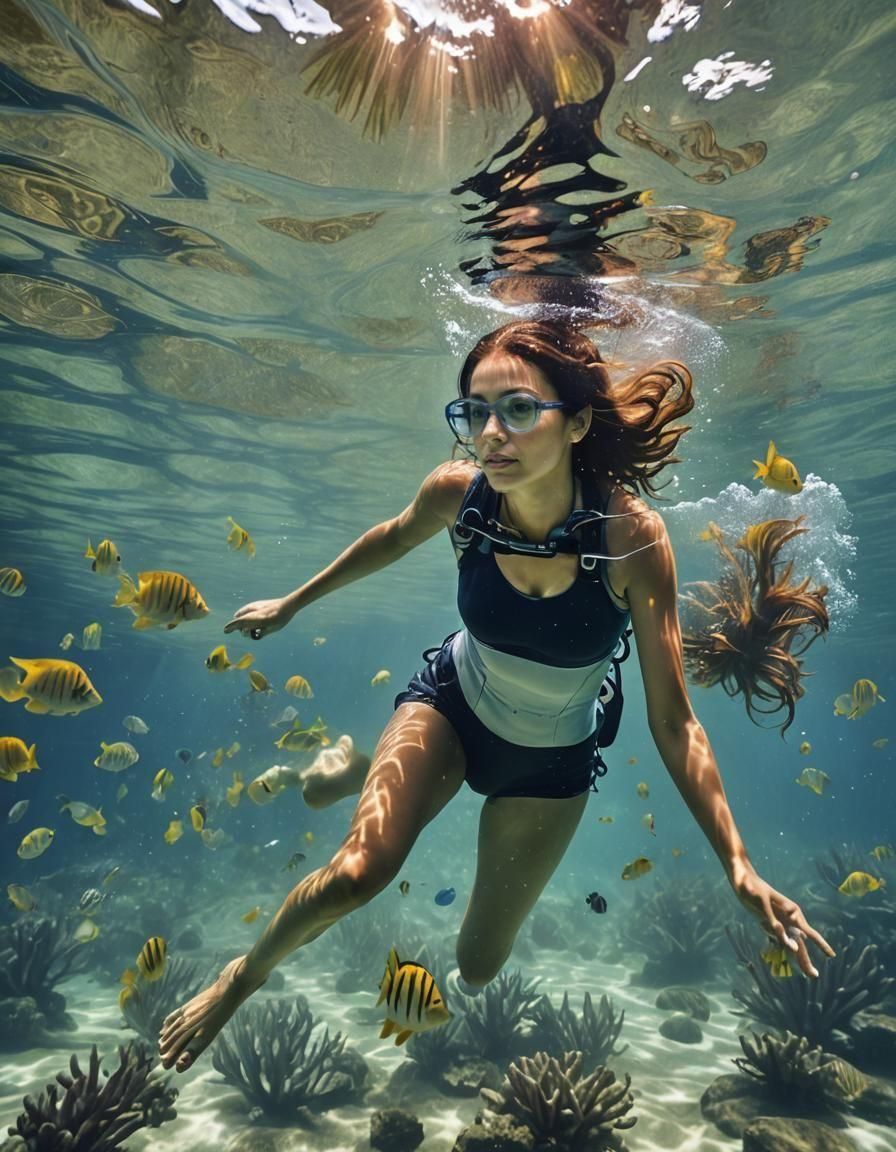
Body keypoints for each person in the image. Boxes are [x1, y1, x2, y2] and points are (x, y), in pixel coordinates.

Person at [159, 319, 834, 1073]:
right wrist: (291, 602)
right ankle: (242, 975)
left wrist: (736, 864)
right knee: (357, 873)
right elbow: (391, 535)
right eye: (473, 411)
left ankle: (361, 766)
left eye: (516, 409)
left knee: (477, 966)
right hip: (450, 707)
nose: (489, 433)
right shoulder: (462, 497)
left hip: (551, 764)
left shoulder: (630, 540)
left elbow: (675, 724)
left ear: (577, 423)